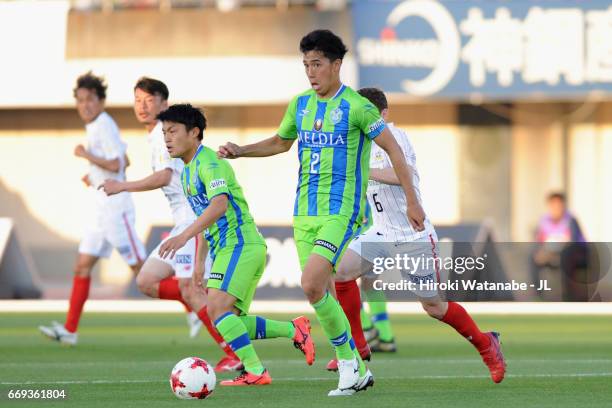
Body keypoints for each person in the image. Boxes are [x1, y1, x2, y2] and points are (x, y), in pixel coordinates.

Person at [218, 29, 419, 396]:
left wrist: (413, 201)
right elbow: (281, 142)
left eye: (318, 64)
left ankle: (346, 365)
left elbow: (394, 151)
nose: (311, 72)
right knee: (321, 290)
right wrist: (241, 150)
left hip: (341, 212)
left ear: (336, 65)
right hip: (303, 214)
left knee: (311, 284)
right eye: (306, 64)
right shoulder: (300, 105)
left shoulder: (358, 107)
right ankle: (356, 366)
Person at [328, 88, 506, 384]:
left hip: (413, 236)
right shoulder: (358, 143)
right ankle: (357, 346)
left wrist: (364, 172)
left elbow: (403, 174)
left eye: (368, 113)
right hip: (381, 232)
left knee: (434, 307)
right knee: (341, 274)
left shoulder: (395, 136)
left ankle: (486, 344)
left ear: (383, 115)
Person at [157, 103, 315, 386]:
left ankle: (256, 371)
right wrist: (199, 263)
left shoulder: (210, 163)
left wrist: (181, 237)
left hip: (240, 244)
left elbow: (219, 205)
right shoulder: (187, 172)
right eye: (164, 132)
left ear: (194, 133)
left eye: (173, 131)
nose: (167, 138)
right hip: (227, 249)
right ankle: (295, 329)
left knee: (217, 310)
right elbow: (204, 218)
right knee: (230, 319)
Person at [99, 77, 241, 372]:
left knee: (188, 289)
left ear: (164, 103)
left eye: (149, 100)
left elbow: (164, 176)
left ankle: (233, 350)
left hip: (192, 220)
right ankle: (197, 304)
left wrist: (122, 185)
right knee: (146, 281)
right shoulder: (158, 136)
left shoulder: (166, 136)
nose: (142, 106)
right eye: (138, 100)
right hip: (182, 223)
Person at [39, 72, 145, 345]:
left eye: (90, 100)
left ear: (101, 101)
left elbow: (117, 165)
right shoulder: (97, 125)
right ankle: (70, 330)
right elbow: (126, 160)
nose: (84, 105)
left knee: (144, 275)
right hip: (101, 208)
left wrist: (86, 155)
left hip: (116, 208)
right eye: (80, 100)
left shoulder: (104, 124)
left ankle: (193, 305)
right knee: (82, 266)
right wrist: (94, 175)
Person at [530, 192, 588, 300]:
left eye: (559, 205)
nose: (556, 208)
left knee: (566, 255)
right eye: (553, 205)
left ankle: (567, 298)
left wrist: (554, 252)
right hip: (551, 254)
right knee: (532, 256)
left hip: (577, 255)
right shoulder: (544, 221)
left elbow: (572, 242)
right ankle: (538, 297)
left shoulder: (570, 220)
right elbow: (539, 241)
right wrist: (542, 253)